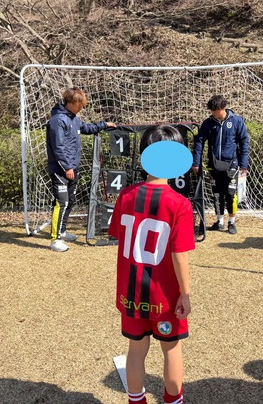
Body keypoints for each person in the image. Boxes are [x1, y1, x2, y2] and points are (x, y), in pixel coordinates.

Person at [109, 125, 195, 404]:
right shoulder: (180, 204)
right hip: (164, 296)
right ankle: (173, 400)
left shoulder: (125, 196)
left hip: (131, 293)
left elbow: (120, 236)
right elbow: (179, 255)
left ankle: (136, 401)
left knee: (136, 349)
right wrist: (185, 293)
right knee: (171, 348)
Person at [46, 87, 116, 252]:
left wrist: (104, 125)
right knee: (62, 203)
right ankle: (55, 240)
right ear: (71, 102)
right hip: (61, 170)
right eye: (80, 105)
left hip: (73, 168)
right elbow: (58, 147)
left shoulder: (74, 119)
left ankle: (62, 231)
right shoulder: (58, 120)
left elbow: (87, 128)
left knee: (70, 201)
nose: (81, 108)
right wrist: (67, 167)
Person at [191, 95, 249, 235]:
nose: (212, 113)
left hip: (232, 165)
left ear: (222, 108)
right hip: (214, 165)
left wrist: (243, 164)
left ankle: (231, 222)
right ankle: (220, 221)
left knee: (230, 194)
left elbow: (244, 143)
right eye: (211, 110)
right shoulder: (208, 123)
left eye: (214, 110)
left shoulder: (236, 121)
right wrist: (196, 162)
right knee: (217, 194)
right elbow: (199, 142)